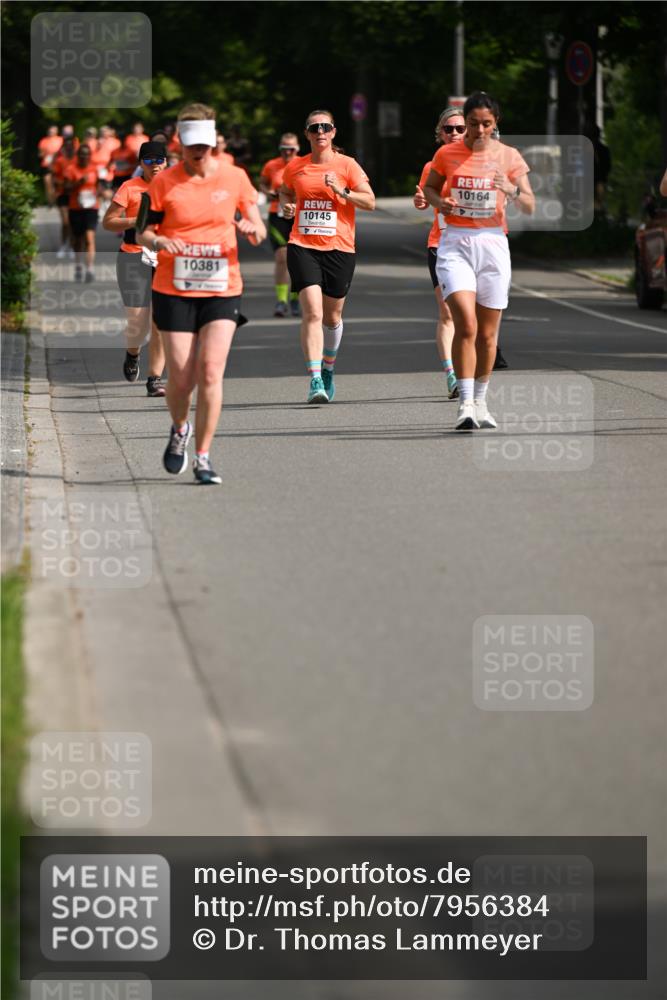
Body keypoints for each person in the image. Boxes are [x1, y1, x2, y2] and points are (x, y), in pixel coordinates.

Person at [137, 102, 267, 485]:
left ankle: (204, 456)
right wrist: (160, 240)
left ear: (213, 141)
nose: (198, 152)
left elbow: (256, 224)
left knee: (210, 371)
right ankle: (180, 427)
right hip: (173, 287)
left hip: (221, 287)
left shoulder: (235, 177)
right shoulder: (163, 182)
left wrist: (251, 229)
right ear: (179, 142)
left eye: (205, 145)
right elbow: (143, 231)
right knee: (180, 377)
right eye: (191, 145)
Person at [423, 91, 534, 430]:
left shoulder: (509, 157)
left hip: (493, 244)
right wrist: (441, 204)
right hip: (455, 242)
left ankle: (482, 401)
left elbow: (530, 204)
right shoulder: (447, 153)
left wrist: (511, 189)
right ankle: (465, 403)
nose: (479, 130)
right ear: (465, 123)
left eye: (487, 124)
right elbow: (429, 189)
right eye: (473, 124)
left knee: (488, 335)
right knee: (465, 324)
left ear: (496, 123)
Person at [279, 109, 375, 403]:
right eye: (314, 128)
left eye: (325, 127)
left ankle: (329, 367)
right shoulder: (296, 167)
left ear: (333, 132)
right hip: (302, 245)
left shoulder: (348, 165)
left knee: (332, 317)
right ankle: (315, 379)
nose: (320, 132)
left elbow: (370, 201)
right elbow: (284, 192)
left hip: (340, 249)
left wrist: (342, 191)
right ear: (307, 134)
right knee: (313, 312)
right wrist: (288, 207)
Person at [103, 141, 168, 397]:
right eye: (149, 161)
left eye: (159, 160)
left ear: (166, 161)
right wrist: (137, 219)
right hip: (132, 257)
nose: (155, 165)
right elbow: (108, 222)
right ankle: (133, 354)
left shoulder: (174, 186)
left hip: (164, 259)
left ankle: (155, 379)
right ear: (141, 163)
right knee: (137, 321)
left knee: (160, 321)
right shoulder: (129, 188)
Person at [413, 107, 466, 399]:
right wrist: (421, 200)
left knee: (471, 315)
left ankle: (470, 370)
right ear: (440, 133)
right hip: (442, 245)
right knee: (447, 313)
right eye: (449, 129)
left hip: (474, 246)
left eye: (460, 129)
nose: (454, 134)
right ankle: (451, 375)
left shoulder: (481, 162)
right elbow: (423, 200)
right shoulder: (432, 165)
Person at [259, 133, 301, 317]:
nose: (288, 152)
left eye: (291, 149)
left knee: (298, 260)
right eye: (284, 149)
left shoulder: (304, 163)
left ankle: (295, 299)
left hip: (299, 215)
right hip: (277, 214)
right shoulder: (271, 165)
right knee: (282, 257)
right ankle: (281, 300)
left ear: (297, 149)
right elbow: (262, 183)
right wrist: (268, 191)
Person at [63, 143, 103, 283]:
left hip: (92, 207)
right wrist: (79, 182)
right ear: (77, 155)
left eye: (87, 154)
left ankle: (90, 268)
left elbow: (99, 185)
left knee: (89, 237)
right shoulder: (71, 169)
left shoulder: (95, 169)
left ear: (90, 156)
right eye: (81, 154)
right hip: (76, 208)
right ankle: (78, 265)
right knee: (78, 240)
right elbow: (66, 189)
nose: (84, 157)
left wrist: (100, 192)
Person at [51, 135, 77, 258]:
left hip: (75, 195)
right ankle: (63, 245)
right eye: (66, 145)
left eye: (71, 145)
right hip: (62, 194)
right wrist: (63, 184)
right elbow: (54, 177)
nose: (69, 147)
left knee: (72, 222)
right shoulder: (60, 161)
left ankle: (71, 246)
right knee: (65, 222)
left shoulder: (78, 160)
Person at [37, 125, 62, 204]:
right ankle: (50, 201)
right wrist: (44, 155)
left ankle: (57, 198)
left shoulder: (60, 140)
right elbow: (40, 153)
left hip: (58, 165)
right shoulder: (43, 141)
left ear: (56, 131)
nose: (51, 132)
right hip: (46, 164)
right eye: (50, 131)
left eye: (53, 131)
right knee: (47, 182)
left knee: (57, 183)